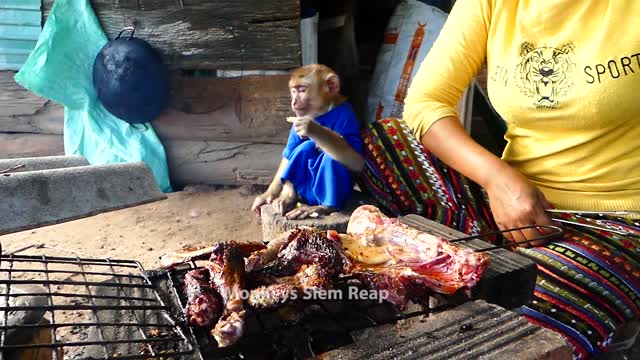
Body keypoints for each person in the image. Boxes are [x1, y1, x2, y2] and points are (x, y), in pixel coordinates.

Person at [362, 0, 640, 359]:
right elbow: (426, 101)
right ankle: (476, 261)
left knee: (520, 322)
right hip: (509, 210)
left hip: (618, 222)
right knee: (388, 144)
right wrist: (497, 179)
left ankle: (589, 294)